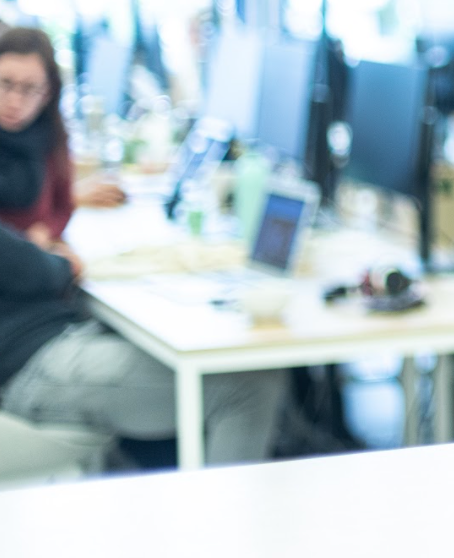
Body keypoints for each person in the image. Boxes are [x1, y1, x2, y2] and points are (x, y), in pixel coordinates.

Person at [0, 30, 283, 464]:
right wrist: (47, 261)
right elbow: (23, 262)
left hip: (50, 330)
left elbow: (34, 241)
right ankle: (231, 531)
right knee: (248, 386)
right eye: (6, 84)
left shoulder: (33, 149)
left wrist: (38, 252)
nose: (17, 100)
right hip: (22, 361)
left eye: (31, 88)